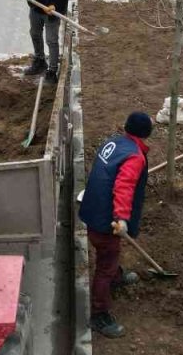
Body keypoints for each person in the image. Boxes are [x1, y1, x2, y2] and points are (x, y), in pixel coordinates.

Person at [77, 112, 154, 339]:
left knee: (110, 255)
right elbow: (123, 186)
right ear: (146, 133)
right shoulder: (134, 157)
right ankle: (99, 314)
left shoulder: (115, 142)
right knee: (106, 263)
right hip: (106, 221)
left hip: (92, 210)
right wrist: (121, 218)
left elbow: (105, 174)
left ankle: (116, 276)